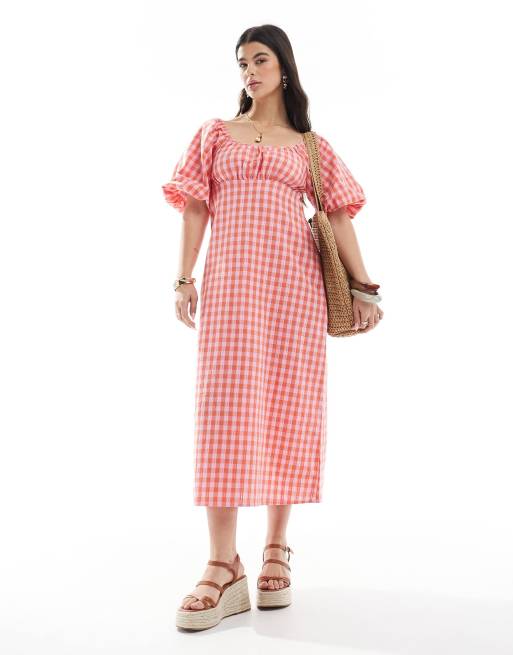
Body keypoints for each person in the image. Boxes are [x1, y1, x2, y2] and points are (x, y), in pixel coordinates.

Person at [162, 24, 384, 631]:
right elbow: (195, 206)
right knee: (223, 412)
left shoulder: (310, 146)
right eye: (242, 63)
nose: (250, 71)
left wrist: (366, 286)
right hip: (232, 291)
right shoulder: (215, 134)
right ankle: (222, 564)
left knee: (289, 406)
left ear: (283, 67)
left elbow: (339, 216)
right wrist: (183, 278)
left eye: (260, 60)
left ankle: (276, 548)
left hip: (295, 291)